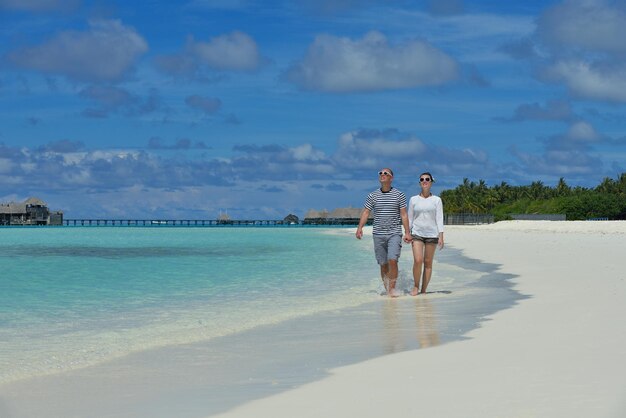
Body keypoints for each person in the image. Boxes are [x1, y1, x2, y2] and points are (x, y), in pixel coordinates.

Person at [356, 168, 412, 297]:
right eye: (380, 173)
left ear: (391, 178)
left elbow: (403, 214)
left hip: (394, 233)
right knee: (383, 264)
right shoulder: (372, 195)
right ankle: (387, 289)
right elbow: (366, 212)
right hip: (378, 234)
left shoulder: (399, 195)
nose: (382, 175)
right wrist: (360, 228)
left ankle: (392, 289)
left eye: (385, 173)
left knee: (393, 260)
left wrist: (407, 233)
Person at [407, 172, 444, 296]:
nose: (424, 181)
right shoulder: (413, 199)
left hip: (432, 234)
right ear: (419, 183)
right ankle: (416, 286)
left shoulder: (437, 200)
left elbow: (439, 218)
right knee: (418, 260)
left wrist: (441, 236)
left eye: (427, 179)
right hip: (416, 233)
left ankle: (424, 290)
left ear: (431, 182)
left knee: (428, 263)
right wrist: (407, 232)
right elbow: (410, 218)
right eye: (422, 179)